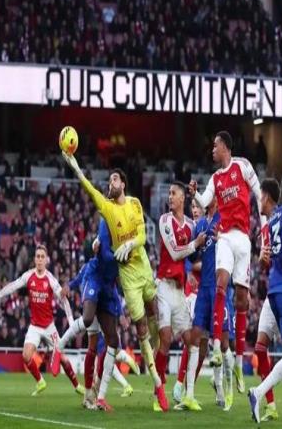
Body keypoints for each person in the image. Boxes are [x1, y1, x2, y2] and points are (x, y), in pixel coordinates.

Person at [62, 153, 168, 411]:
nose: (110, 183)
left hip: (142, 269)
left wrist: (130, 244)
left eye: (114, 179)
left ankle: (153, 366)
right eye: (109, 180)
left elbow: (142, 235)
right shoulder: (107, 210)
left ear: (123, 184)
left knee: (154, 320)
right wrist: (76, 168)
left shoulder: (135, 203)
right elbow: (90, 189)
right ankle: (157, 383)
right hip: (123, 277)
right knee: (138, 328)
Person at [188, 130, 261, 393]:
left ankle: (239, 362)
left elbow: (259, 193)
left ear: (226, 147)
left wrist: (264, 228)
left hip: (244, 239)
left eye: (215, 146)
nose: (212, 150)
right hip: (226, 237)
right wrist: (195, 194)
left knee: (241, 299)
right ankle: (217, 348)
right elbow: (205, 201)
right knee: (221, 283)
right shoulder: (216, 178)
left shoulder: (242, 166)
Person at [0, 245, 84, 396]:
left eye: (42, 257)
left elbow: (64, 299)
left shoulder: (50, 279)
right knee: (26, 355)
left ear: (46, 260)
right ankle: (40, 381)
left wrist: (71, 322)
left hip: (49, 327)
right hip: (35, 326)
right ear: (34, 259)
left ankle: (77, 385)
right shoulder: (28, 276)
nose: (39, 259)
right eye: (37, 256)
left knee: (63, 359)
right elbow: (12, 286)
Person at [56, 218, 128, 411]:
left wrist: (121, 312)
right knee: (89, 328)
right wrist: (69, 286)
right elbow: (80, 276)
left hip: (106, 292)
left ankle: (96, 395)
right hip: (93, 290)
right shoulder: (93, 259)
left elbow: (117, 286)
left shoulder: (124, 239)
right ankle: (60, 346)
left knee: (108, 343)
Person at [248, 176, 282, 423]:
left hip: (275, 288)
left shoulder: (272, 221)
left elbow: (273, 256)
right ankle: (259, 394)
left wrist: (265, 260)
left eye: (261, 197)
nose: (259, 201)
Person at [178, 197, 235, 411]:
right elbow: (189, 255)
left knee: (224, 344)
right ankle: (189, 395)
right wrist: (191, 262)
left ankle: (224, 389)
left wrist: (223, 240)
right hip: (203, 290)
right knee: (196, 340)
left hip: (220, 289)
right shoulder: (201, 224)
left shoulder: (226, 219)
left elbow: (236, 249)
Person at [154, 182, 206, 411]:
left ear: (183, 198)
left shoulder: (192, 225)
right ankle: (158, 393)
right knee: (165, 339)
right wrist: (195, 244)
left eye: (173, 193)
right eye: (169, 193)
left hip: (179, 291)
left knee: (192, 340)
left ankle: (189, 395)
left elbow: (195, 257)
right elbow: (175, 252)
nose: (170, 197)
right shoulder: (165, 220)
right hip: (163, 288)